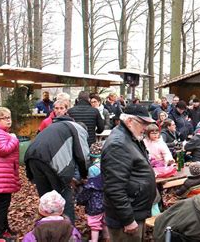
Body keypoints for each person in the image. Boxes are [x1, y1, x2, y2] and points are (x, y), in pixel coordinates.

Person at [101, 104, 156, 241]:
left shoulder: (131, 137)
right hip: (126, 218)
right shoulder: (118, 144)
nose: (145, 128)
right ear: (129, 121)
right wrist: (128, 220)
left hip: (135, 211)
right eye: (143, 123)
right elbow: (114, 188)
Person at [24, 114, 90, 223]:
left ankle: (46, 230)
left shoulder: (56, 126)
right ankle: (68, 233)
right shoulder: (78, 129)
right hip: (51, 160)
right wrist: (84, 175)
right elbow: (83, 156)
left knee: (46, 198)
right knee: (64, 197)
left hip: (31, 157)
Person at [76, 143, 109, 242]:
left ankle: (94, 240)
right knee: (106, 220)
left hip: (95, 202)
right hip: (108, 199)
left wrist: (80, 200)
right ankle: (107, 237)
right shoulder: (108, 165)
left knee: (95, 223)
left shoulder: (92, 170)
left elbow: (89, 188)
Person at [0, 108, 20, 240]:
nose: (9, 120)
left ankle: (4, 230)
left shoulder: (2, 132)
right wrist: (14, 139)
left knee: (1, 206)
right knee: (0, 207)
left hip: (1, 176)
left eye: (9, 117)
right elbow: (3, 150)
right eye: (5, 118)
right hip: (0, 178)